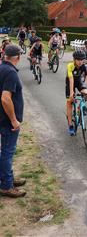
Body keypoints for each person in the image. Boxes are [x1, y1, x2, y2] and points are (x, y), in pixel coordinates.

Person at [0, 44, 26, 198]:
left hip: (2, 119)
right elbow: (5, 98)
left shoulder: (2, 68)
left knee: (5, 152)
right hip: (7, 122)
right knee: (7, 153)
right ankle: (6, 186)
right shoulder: (11, 73)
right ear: (17, 57)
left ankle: (7, 178)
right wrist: (14, 120)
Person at [65, 51, 87, 136]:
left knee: (86, 94)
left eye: (82, 60)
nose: (80, 61)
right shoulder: (70, 66)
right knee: (69, 103)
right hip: (70, 83)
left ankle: (80, 109)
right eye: (78, 59)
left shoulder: (83, 66)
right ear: (74, 59)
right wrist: (72, 93)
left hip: (78, 82)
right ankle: (70, 124)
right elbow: (71, 79)